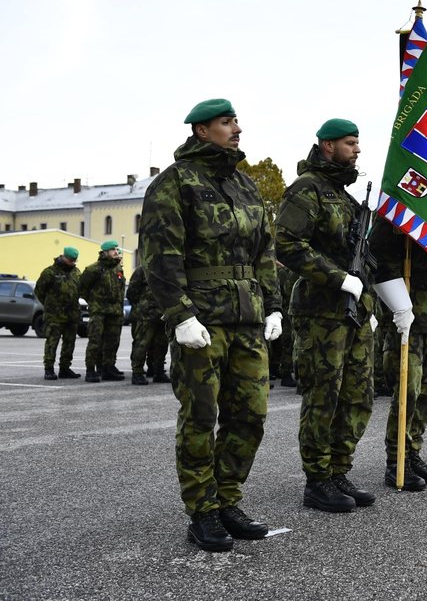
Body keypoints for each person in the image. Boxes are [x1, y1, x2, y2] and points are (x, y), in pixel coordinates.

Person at [140, 98, 282, 551]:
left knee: (251, 415)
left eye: (236, 121)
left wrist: (274, 305)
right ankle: (201, 511)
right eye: (227, 122)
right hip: (202, 319)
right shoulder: (174, 182)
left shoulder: (245, 185)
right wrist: (179, 315)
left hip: (247, 319)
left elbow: (264, 252)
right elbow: (160, 256)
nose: (237, 128)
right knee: (201, 416)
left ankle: (227, 500)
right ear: (203, 130)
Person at [275, 118, 377, 511]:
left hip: (355, 312)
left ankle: (338, 471)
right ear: (327, 145)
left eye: (357, 143)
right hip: (321, 311)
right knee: (324, 396)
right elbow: (286, 243)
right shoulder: (307, 189)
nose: (357, 149)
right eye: (350, 143)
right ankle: (317, 480)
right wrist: (337, 279)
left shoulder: (345, 197)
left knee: (357, 395)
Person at [369, 218, 427, 492]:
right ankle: (397, 460)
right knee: (409, 392)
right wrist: (398, 306)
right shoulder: (397, 214)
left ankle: (413, 452)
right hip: (407, 318)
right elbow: (379, 261)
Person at [79, 240, 126, 383]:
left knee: (112, 341)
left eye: (116, 250)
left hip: (115, 311)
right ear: (105, 252)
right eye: (113, 250)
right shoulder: (93, 269)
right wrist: (94, 301)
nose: (116, 252)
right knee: (95, 341)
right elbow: (82, 288)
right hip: (99, 311)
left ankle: (108, 368)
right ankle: (90, 370)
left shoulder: (118, 268)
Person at [35, 246, 82, 380]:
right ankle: (49, 369)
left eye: (74, 260)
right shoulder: (50, 272)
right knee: (52, 342)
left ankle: (65, 368)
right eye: (71, 260)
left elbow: (80, 289)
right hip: (54, 315)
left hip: (72, 314)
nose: (73, 263)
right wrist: (50, 305)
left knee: (69, 342)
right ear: (63, 257)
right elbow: (39, 291)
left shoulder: (76, 272)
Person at [127, 264, 168, 386]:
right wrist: (143, 304)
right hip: (146, 314)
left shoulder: (170, 269)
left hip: (164, 313)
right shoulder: (142, 269)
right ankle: (137, 372)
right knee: (142, 344)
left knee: (161, 345)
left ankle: (158, 371)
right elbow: (132, 292)